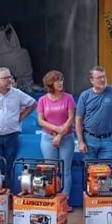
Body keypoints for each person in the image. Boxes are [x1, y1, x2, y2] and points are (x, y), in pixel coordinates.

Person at [37, 70, 76, 212]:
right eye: (57, 80)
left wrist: (60, 135)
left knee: (65, 170)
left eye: (61, 80)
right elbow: (40, 120)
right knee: (50, 169)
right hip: (47, 137)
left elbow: (71, 118)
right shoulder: (42, 100)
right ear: (50, 83)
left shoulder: (69, 98)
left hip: (66, 137)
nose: (60, 83)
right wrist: (55, 129)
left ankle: (65, 201)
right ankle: (51, 197)